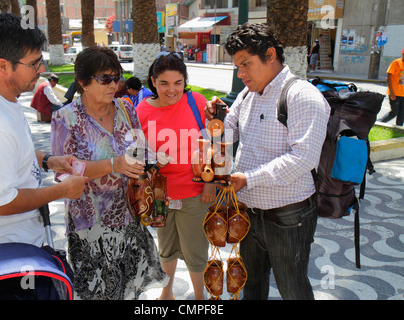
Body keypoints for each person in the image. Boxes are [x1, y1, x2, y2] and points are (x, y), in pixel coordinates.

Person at [205, 23, 330, 300]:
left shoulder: (302, 96)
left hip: (289, 216)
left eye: (246, 64)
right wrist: (215, 120)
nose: (241, 74)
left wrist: (248, 178)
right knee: (252, 284)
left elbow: (303, 158)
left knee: (292, 288)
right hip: (249, 211)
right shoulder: (247, 94)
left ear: (270, 54)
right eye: (238, 66)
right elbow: (228, 134)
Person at [0, 12, 88, 254]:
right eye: (35, 62)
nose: (42, 68)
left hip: (16, 243)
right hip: (5, 254)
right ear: (3, 66)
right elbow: (0, 204)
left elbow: (13, 148)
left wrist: (49, 160)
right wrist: (62, 191)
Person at [50, 46, 171, 300]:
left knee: (128, 291)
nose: (113, 84)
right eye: (105, 78)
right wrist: (112, 164)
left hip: (128, 217)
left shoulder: (126, 110)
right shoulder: (66, 118)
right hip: (89, 227)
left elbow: (139, 149)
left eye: (116, 77)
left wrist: (152, 158)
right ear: (83, 82)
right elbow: (63, 173)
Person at [136, 51, 216, 300]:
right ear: (153, 82)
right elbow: (136, 152)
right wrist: (150, 159)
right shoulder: (142, 110)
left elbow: (214, 142)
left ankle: (200, 297)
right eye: (164, 83)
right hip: (160, 194)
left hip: (194, 191)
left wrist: (210, 183)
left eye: (178, 83)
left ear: (185, 81)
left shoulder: (198, 102)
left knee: (195, 249)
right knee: (166, 248)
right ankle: (166, 293)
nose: (171, 90)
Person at [379, 48, 404, 126]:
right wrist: (392, 92)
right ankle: (378, 123)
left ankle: (398, 130)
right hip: (395, 93)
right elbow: (388, 77)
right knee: (394, 112)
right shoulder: (396, 63)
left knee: (401, 114)